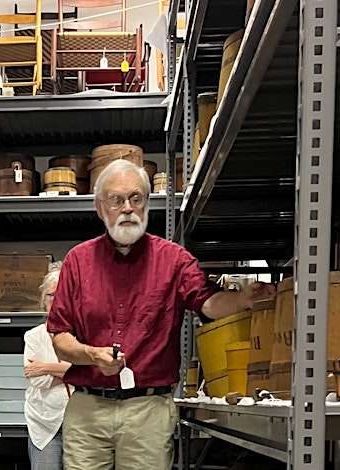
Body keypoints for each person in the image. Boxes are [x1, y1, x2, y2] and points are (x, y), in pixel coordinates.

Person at [47, 159, 276, 470]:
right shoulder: (78, 260)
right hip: (88, 410)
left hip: (149, 411)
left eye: (136, 198)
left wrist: (241, 300)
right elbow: (60, 336)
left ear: (147, 204)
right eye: (116, 200)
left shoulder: (174, 260)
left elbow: (207, 303)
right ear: (100, 208)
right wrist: (92, 355)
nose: (127, 208)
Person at [23, 262, 71, 470]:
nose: (57, 301)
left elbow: (89, 372)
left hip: (79, 424)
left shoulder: (83, 335)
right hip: (43, 424)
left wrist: (46, 367)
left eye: (63, 295)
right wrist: (69, 371)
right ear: (44, 300)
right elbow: (38, 379)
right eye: (52, 295)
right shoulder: (34, 336)